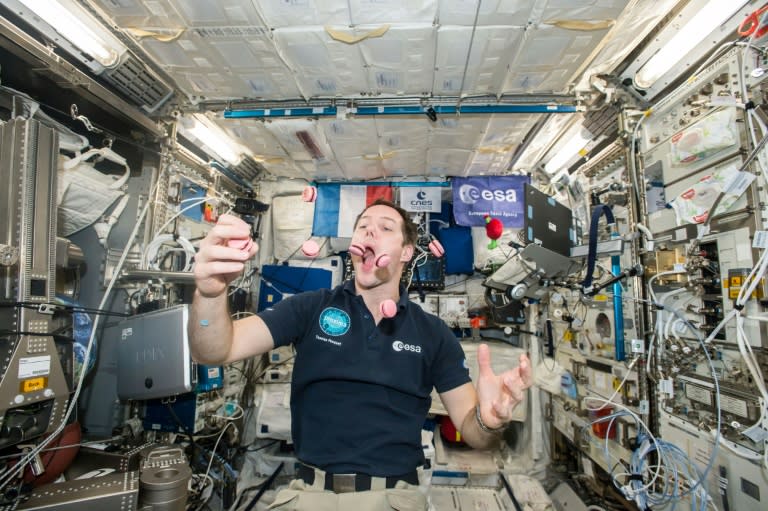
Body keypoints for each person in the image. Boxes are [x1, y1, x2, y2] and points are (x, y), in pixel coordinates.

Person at [189, 199, 532, 511]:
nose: (371, 230)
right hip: (307, 495)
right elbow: (215, 349)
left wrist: (490, 420)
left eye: (386, 228)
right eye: (363, 225)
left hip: (394, 498)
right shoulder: (309, 308)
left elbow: (476, 434)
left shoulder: (434, 334)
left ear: (406, 252)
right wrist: (209, 293)